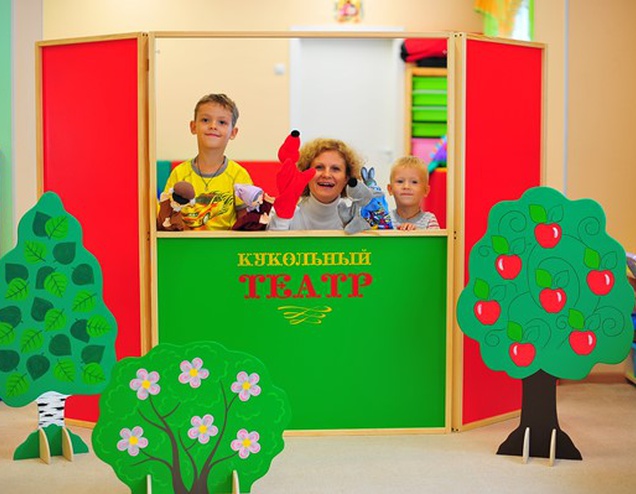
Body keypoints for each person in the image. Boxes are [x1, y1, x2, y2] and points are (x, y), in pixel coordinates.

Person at [161, 93, 252, 230]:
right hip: (186, 243)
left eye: (222, 122)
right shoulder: (179, 174)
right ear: (193, 127)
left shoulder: (239, 175)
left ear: (233, 132)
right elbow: (166, 218)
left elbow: (247, 226)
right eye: (205, 120)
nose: (213, 126)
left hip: (225, 243)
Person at [268, 138, 363, 230]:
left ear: (346, 178)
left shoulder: (357, 217)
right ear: (305, 172)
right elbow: (273, 241)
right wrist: (283, 216)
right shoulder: (280, 213)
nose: (326, 175)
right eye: (319, 167)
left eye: (335, 169)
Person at [387, 156, 440, 230]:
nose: (406, 186)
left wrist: (416, 233)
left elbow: (435, 238)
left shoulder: (430, 220)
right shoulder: (385, 219)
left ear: (425, 190)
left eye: (414, 182)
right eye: (400, 181)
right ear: (390, 189)